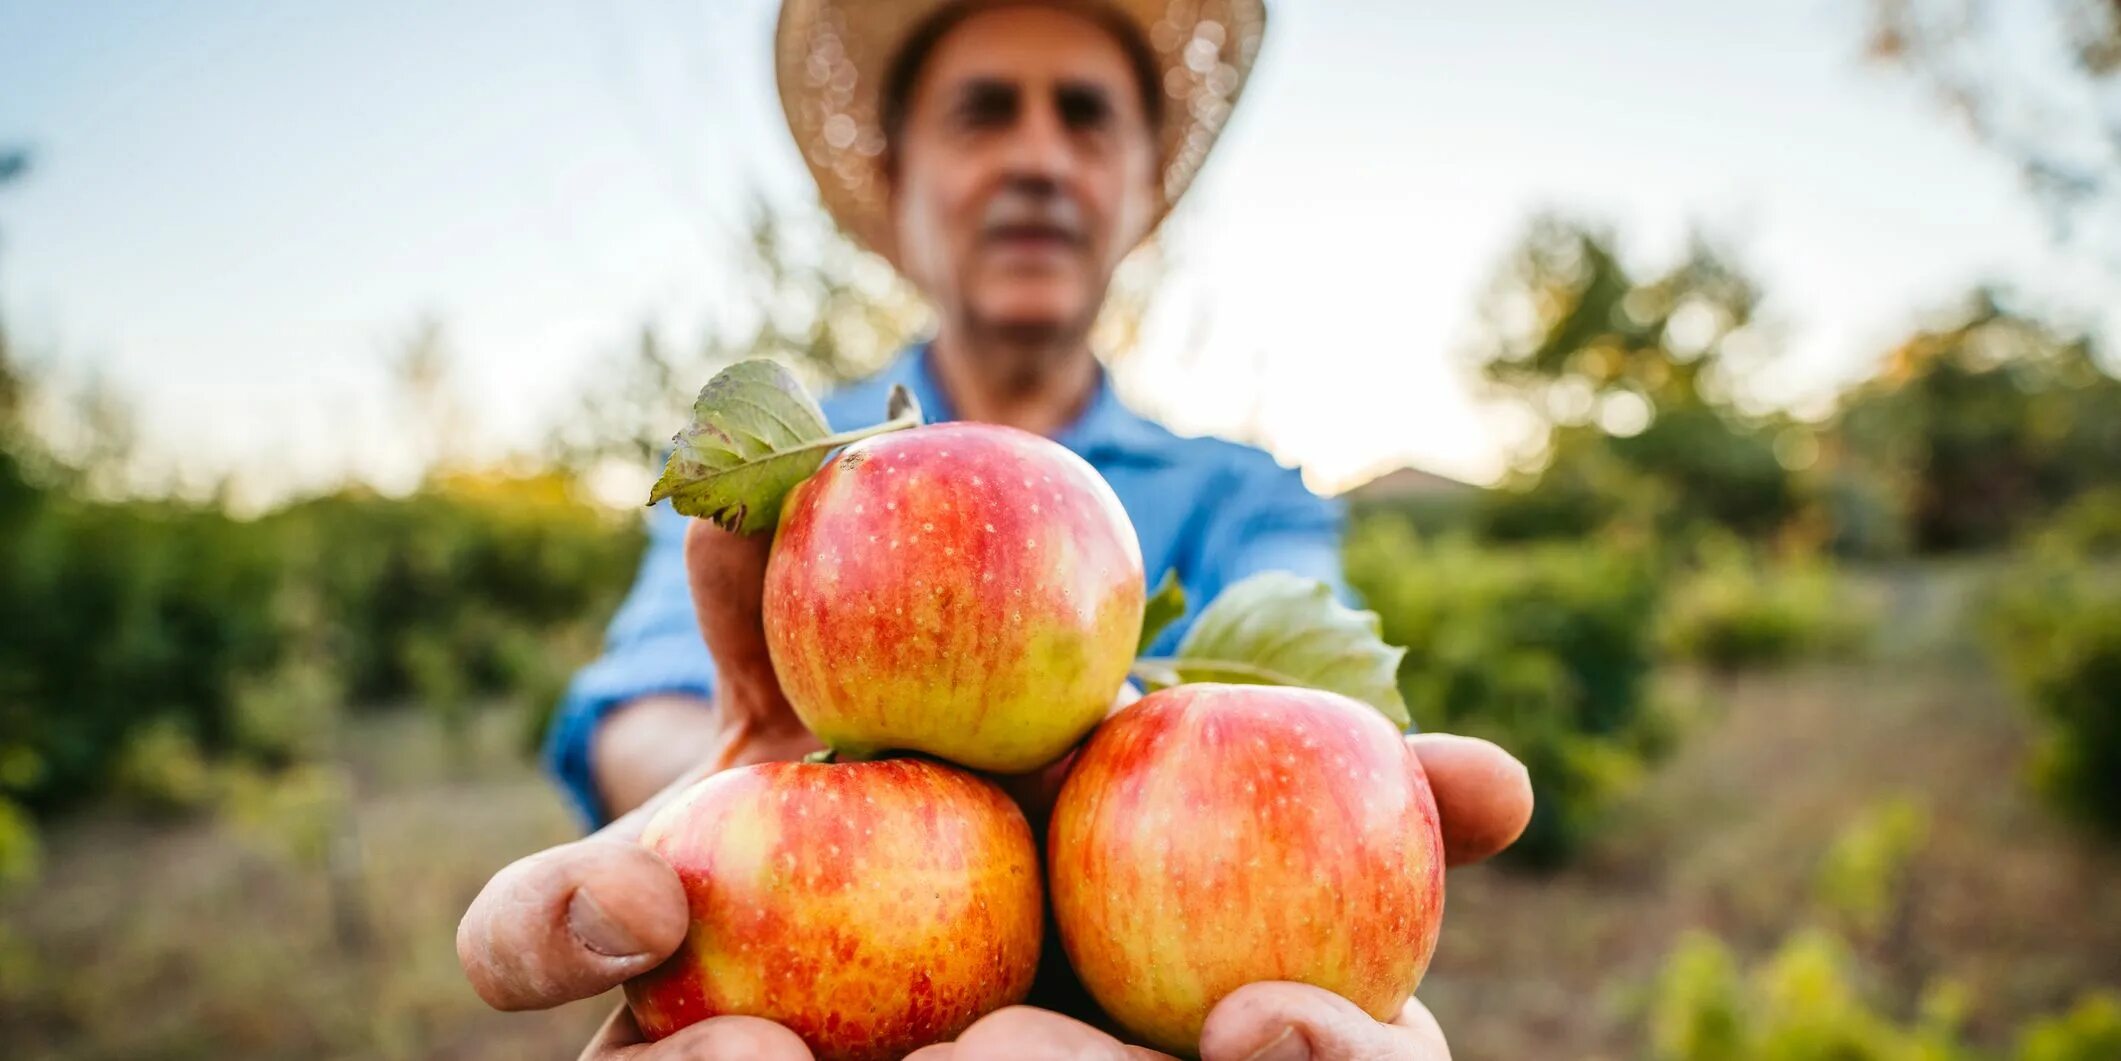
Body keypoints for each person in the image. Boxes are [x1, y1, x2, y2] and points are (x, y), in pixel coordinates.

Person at [457, 2, 1534, 1057]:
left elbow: (1314, 733)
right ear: (896, 178)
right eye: (983, 112)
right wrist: (742, 806)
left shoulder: (1248, 496)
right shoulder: (790, 481)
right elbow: (641, 696)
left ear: (1141, 187)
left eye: (1084, 115)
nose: (1037, 158)